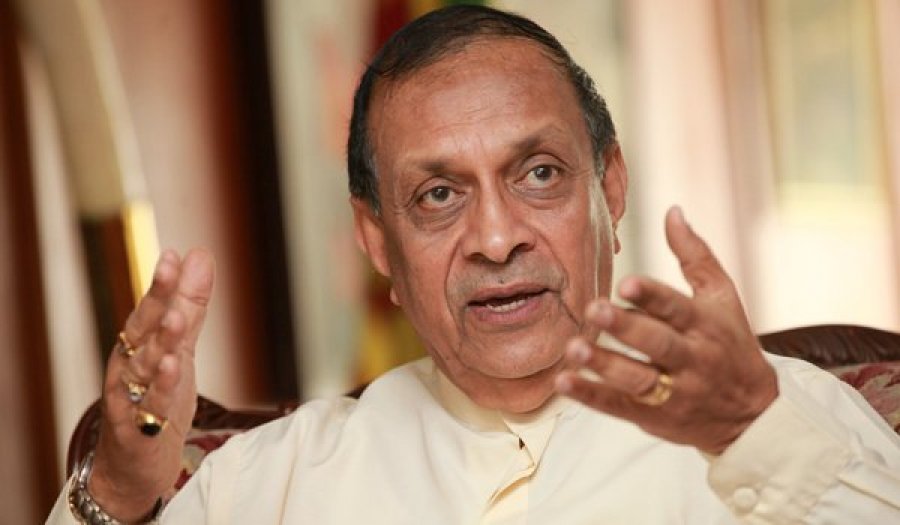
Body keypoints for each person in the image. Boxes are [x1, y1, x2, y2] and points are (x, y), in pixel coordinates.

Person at [49, 5, 900, 524]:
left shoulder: (784, 416)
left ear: (611, 185)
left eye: (539, 175)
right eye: (439, 195)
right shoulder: (269, 482)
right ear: (377, 241)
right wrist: (117, 492)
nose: (496, 239)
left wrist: (749, 432)